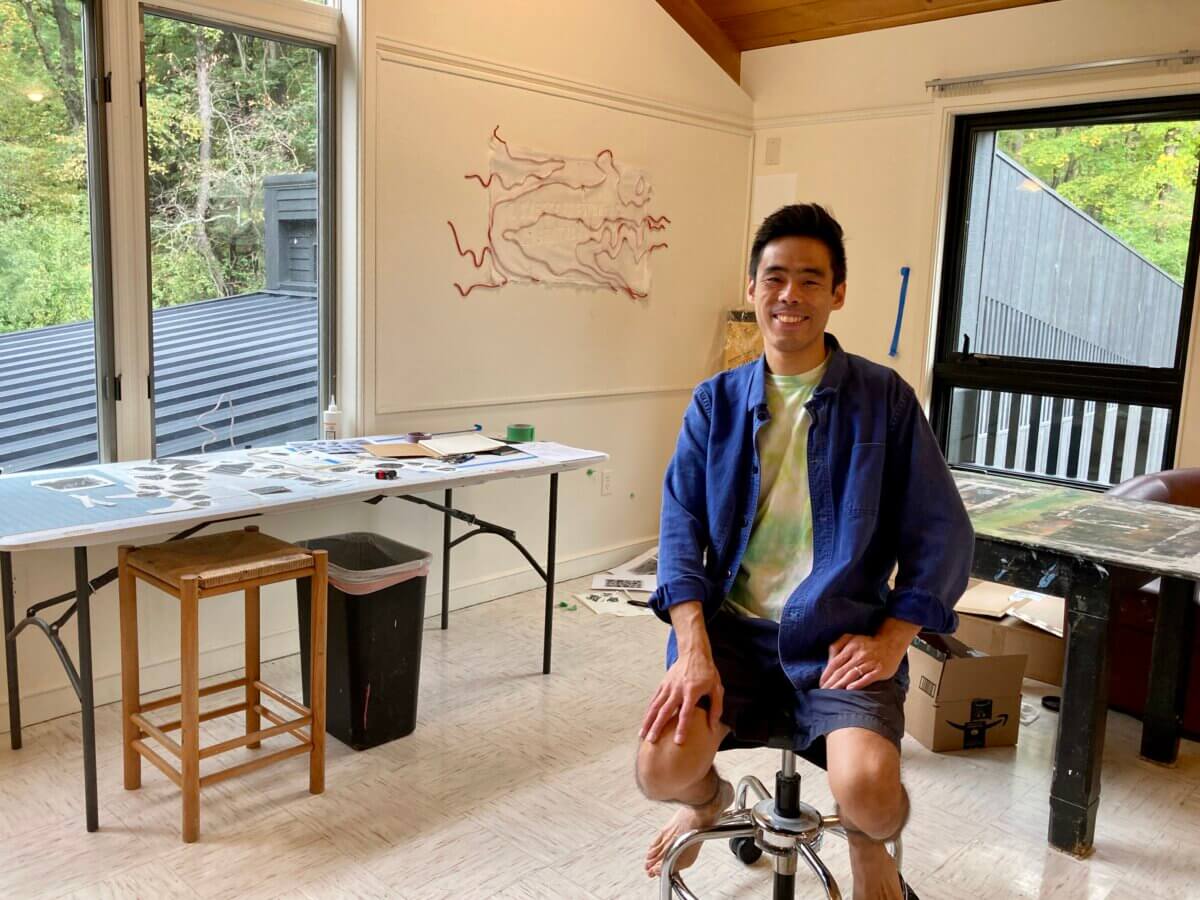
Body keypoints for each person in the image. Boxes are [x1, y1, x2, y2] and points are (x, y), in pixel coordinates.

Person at [635, 204, 973, 900]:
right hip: (731, 634)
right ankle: (707, 804)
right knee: (660, 768)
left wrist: (892, 638)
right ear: (754, 288)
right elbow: (678, 531)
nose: (790, 295)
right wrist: (692, 647)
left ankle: (872, 850)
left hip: (839, 637)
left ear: (837, 293)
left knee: (871, 792)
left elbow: (942, 530)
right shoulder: (714, 404)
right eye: (775, 278)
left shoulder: (885, 400)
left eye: (811, 281)